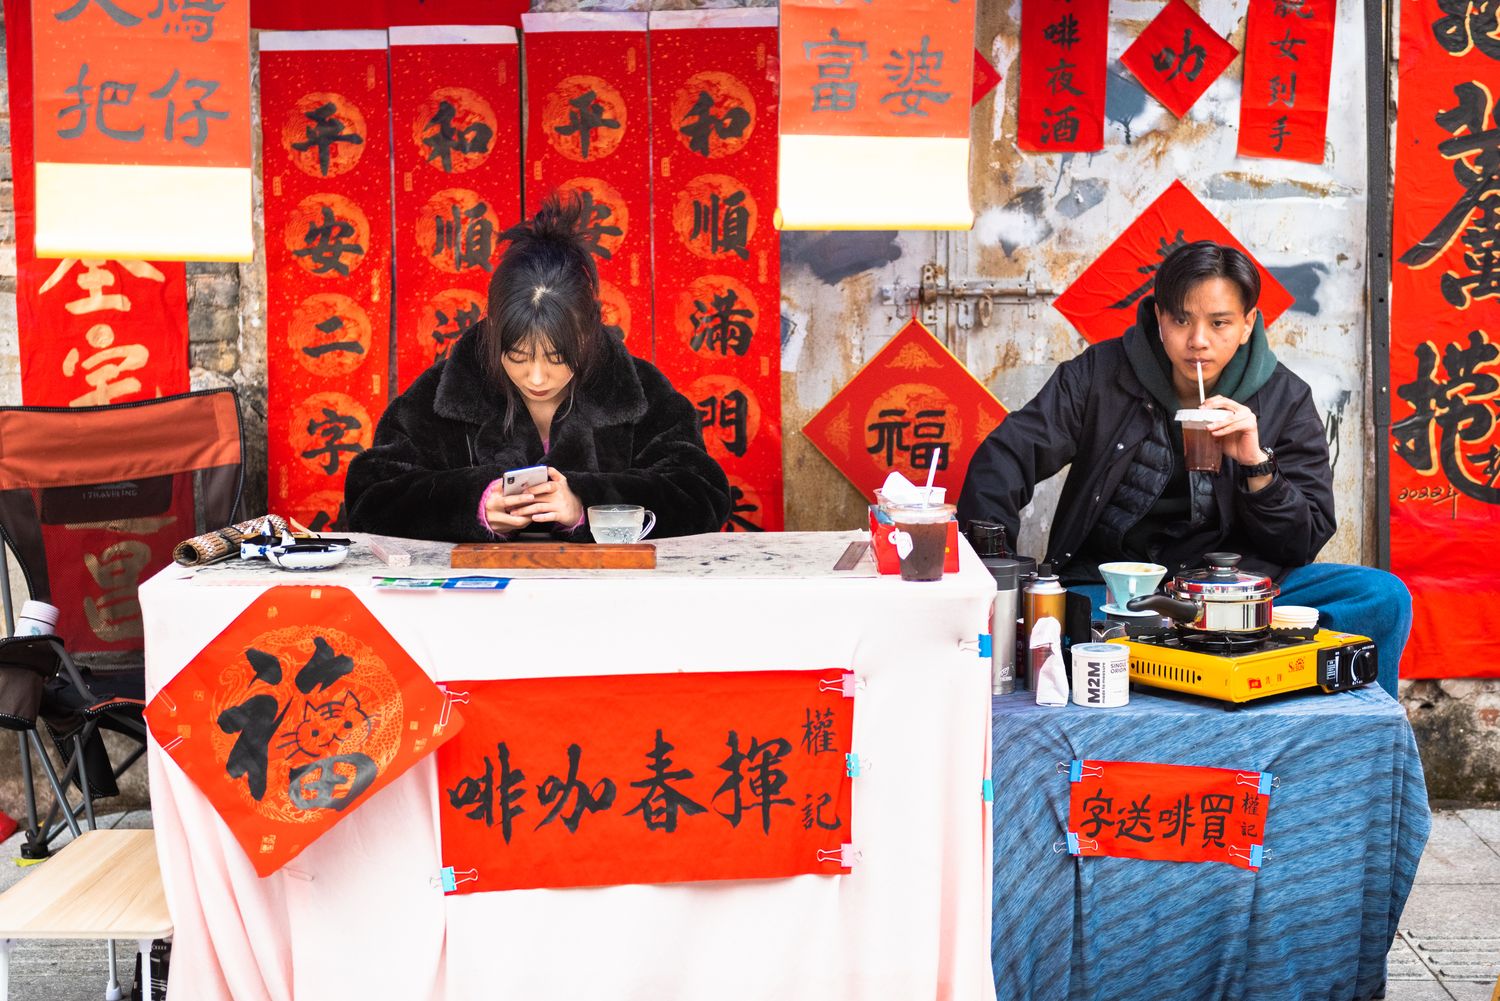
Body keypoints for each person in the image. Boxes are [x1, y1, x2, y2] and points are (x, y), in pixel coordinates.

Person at [958, 241, 1411, 697]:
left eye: (1219, 323)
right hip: (1121, 594)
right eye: (1180, 320)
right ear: (1158, 318)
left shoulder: (1284, 399)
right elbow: (1007, 456)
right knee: (1065, 616)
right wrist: (992, 579)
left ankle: (1345, 726)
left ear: (1248, 324)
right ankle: (1216, 660)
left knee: (1381, 596)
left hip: (1241, 598)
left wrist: (1257, 465)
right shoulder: (1100, 374)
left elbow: (1303, 540)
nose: (1198, 340)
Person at [346, 195, 732, 542]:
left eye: (557, 358)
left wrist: (586, 506)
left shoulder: (638, 391)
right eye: (517, 356)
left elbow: (702, 493)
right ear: (494, 333)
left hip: (611, 603)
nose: (536, 378)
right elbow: (370, 494)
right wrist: (476, 506)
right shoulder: (444, 392)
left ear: (589, 331)